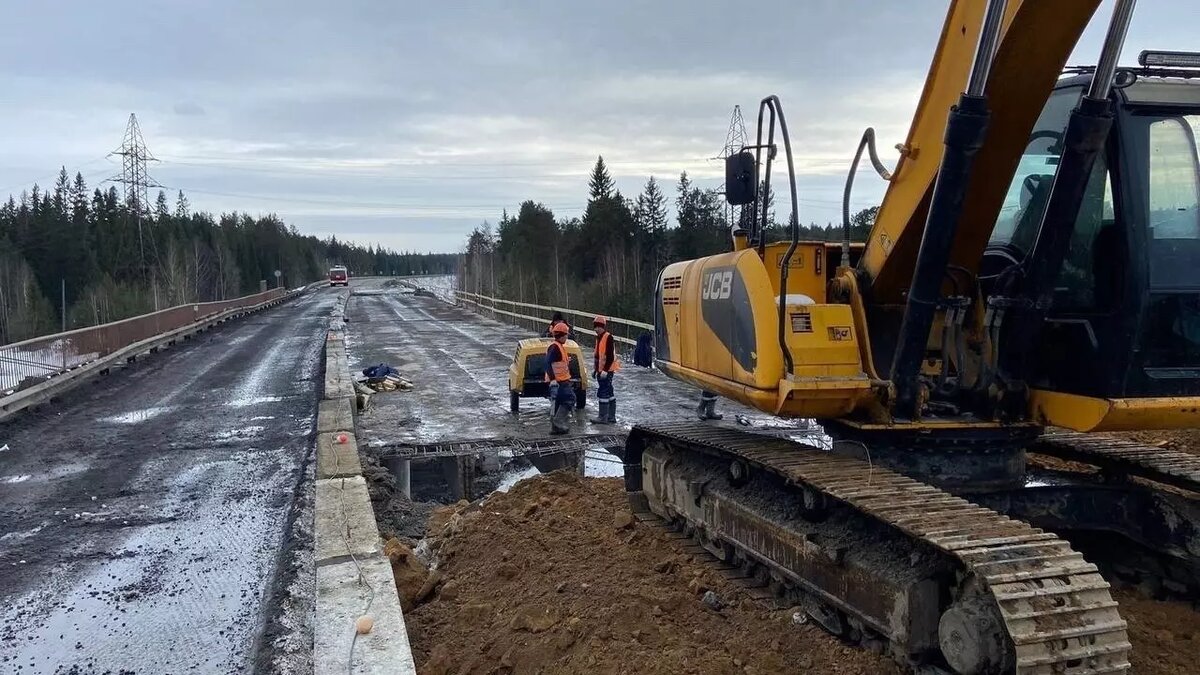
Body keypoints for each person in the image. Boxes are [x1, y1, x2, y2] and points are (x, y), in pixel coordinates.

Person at [544, 321, 576, 435]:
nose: (567, 337)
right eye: (566, 335)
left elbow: (559, 363)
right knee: (570, 399)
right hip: (559, 381)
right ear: (561, 335)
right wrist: (553, 379)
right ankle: (558, 422)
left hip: (560, 380)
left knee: (558, 402)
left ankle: (555, 428)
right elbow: (548, 363)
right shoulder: (555, 347)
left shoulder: (558, 347)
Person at [590, 316, 620, 424]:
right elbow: (598, 356)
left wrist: (605, 370)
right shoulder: (599, 338)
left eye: (597, 327)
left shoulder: (608, 337)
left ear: (602, 327)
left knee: (603, 392)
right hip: (601, 370)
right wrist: (595, 369)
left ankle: (603, 417)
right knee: (609, 392)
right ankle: (611, 417)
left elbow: (610, 356)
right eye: (595, 327)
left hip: (606, 371)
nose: (595, 329)